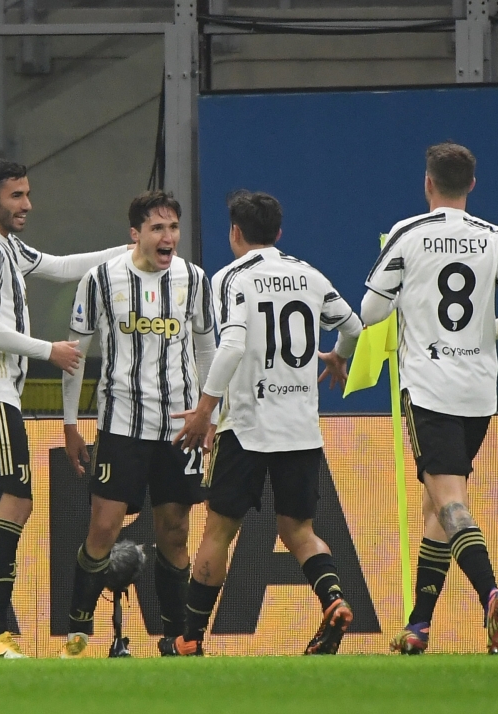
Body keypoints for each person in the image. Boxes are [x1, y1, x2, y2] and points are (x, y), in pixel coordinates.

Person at [0, 159, 128, 658]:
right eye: (17, 195)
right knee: (15, 500)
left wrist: (129, 251)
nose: (27, 204)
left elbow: (61, 266)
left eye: (27, 194)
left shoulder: (3, 244)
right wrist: (49, 350)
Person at [166, 190, 363, 656]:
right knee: (298, 531)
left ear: (235, 233)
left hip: (248, 428)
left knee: (219, 531)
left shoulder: (231, 278)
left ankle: (190, 639)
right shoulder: (308, 275)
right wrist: (338, 358)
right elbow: (352, 326)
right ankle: (333, 599)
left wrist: (205, 409)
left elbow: (231, 346)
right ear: (278, 232)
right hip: (299, 428)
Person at [362, 142, 498, 655]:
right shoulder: (495, 237)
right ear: (472, 186)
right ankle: (419, 624)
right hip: (480, 391)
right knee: (436, 507)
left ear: (428, 183)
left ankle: (491, 591)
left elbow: (371, 311)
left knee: (449, 501)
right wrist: (485, 334)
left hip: (430, 386)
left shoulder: (407, 234)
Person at [58, 190, 217, 659]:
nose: (168, 238)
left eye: (173, 228)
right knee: (104, 528)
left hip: (180, 428)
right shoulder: (101, 280)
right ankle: (78, 629)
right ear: (136, 233)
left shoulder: (195, 280)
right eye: (157, 229)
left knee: (175, 530)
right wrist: (70, 424)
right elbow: (77, 353)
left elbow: (207, 348)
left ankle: (176, 639)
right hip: (121, 425)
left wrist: (209, 414)